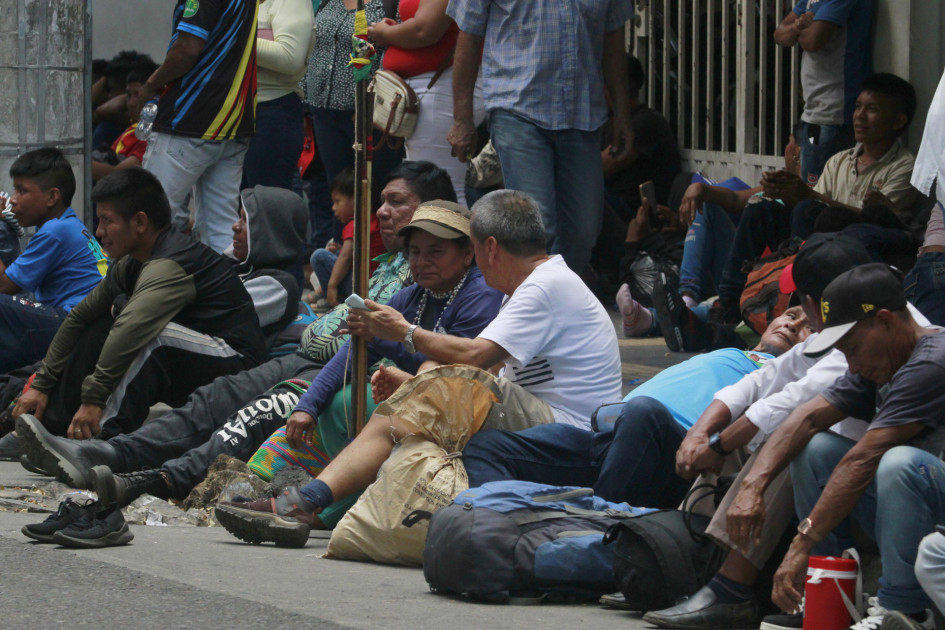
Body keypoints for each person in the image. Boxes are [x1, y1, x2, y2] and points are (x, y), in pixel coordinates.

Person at [13, 162, 456, 493]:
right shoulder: (397, 274)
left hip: (331, 371)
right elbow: (328, 337)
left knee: (241, 414)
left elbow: (336, 337)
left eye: (396, 202)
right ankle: (94, 446)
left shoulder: (278, 281)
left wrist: (369, 333)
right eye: (417, 251)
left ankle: (146, 472)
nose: (382, 212)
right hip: (319, 363)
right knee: (209, 400)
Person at [212, 189, 623, 544]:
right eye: (416, 252)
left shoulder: (542, 286)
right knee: (413, 388)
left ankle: (309, 503)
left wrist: (404, 335)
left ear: (487, 249)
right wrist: (413, 378)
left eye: (465, 251)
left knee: (425, 383)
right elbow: (487, 376)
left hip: (571, 429)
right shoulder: (519, 289)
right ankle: (310, 503)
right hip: (541, 417)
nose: (424, 261)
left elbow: (474, 358)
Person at [719, 264, 942, 630]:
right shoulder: (884, 357)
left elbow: (862, 457)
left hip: (935, 514)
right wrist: (752, 486)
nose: (850, 364)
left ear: (885, 322)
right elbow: (806, 418)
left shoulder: (933, 362)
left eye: (852, 348)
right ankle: (829, 594)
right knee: (816, 448)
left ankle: (905, 613)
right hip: (920, 513)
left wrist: (800, 543)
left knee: (898, 463)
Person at [462, 306, 812, 511]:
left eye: (806, 327)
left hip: (672, 456)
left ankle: (596, 533)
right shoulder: (731, 352)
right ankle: (500, 522)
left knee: (645, 412)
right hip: (612, 438)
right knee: (488, 446)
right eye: (790, 315)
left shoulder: (795, 377)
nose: (792, 324)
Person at [11, 168, 265, 446]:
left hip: (237, 368)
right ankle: (48, 426)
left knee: (152, 338)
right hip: (189, 359)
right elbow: (79, 318)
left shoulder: (170, 264)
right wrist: (41, 386)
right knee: (98, 324)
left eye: (107, 221)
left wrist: (93, 399)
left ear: (140, 222)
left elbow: (130, 328)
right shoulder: (131, 263)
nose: (99, 231)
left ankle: (103, 442)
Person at [712, 73, 919, 324]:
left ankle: (799, 301)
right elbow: (817, 206)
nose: (860, 116)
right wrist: (784, 193)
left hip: (861, 250)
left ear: (898, 121)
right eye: (857, 107)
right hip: (817, 239)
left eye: (872, 109)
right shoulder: (839, 160)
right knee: (762, 208)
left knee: (808, 209)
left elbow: (876, 219)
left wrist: (806, 196)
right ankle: (727, 305)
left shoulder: (906, 167)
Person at [446, 0, 635, 274]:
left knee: (583, 231)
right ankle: (536, 309)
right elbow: (469, 34)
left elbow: (614, 38)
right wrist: (462, 118)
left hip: (582, 115)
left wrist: (623, 114)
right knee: (536, 226)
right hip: (518, 108)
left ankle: (556, 303)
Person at [141, 0, 258, 252]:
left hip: (190, 119)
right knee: (222, 231)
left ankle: (144, 288)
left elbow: (188, 49)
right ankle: (222, 290)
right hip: (233, 123)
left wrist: (151, 84)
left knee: (150, 218)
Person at [0, 148, 108, 375]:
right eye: (14, 190)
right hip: (85, 324)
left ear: (52, 196)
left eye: (22, 191)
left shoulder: (55, 231)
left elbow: (4, 287)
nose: (13, 200)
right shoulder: (69, 224)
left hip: (73, 325)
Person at [368, 0, 485, 205]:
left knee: (440, 192)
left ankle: (452, 237)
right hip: (432, 89)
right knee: (432, 189)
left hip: (443, 87)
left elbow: (424, 30)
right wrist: (395, 30)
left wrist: (385, 33)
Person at [773, 0, 871, 186]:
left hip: (834, 112)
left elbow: (812, 41)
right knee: (810, 188)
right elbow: (779, 35)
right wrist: (798, 26)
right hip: (816, 112)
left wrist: (796, 30)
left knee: (815, 194)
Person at [242, 0, 314, 190]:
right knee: (238, 208)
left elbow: (289, 58)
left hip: (273, 111)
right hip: (235, 110)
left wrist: (232, 36)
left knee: (265, 204)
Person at [309, 169, 386, 306]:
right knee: (337, 252)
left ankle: (332, 298)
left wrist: (332, 286)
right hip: (375, 285)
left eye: (337, 201)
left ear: (357, 199)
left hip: (361, 286)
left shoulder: (356, 224)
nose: (333, 207)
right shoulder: (373, 220)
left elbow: (345, 258)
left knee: (319, 256)